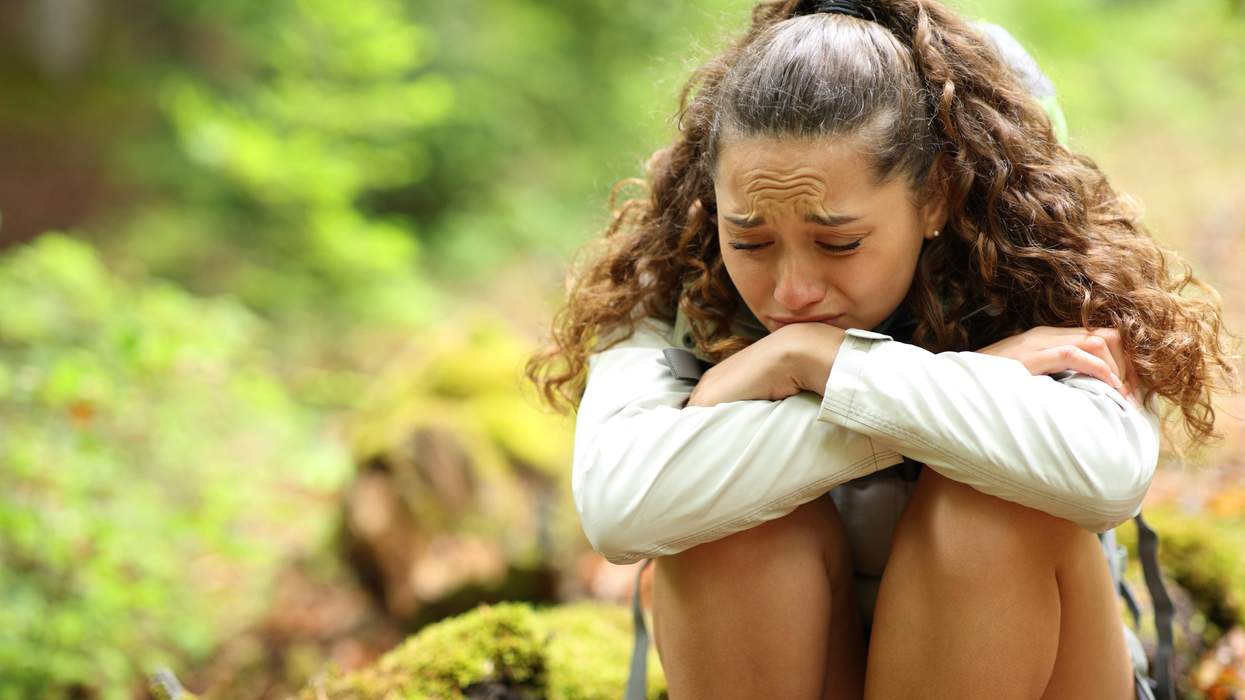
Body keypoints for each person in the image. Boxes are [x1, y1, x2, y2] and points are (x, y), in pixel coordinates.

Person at [525, 0, 1236, 697]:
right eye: (749, 241)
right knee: (720, 529)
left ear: (935, 198)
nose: (792, 291)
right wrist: (959, 382)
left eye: (838, 242)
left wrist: (820, 365)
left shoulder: (1039, 267)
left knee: (993, 508)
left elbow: (1106, 471)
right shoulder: (678, 282)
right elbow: (620, 507)